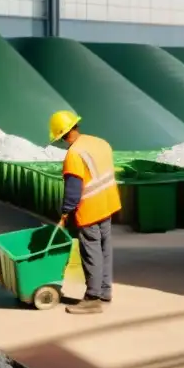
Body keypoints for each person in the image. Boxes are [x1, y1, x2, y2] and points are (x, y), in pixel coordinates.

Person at [50, 110, 122, 315]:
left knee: (91, 253)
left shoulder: (74, 154)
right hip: (107, 204)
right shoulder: (99, 142)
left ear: (63, 134)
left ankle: (92, 298)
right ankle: (105, 291)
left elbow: (73, 191)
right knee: (104, 248)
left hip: (90, 209)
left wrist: (65, 213)